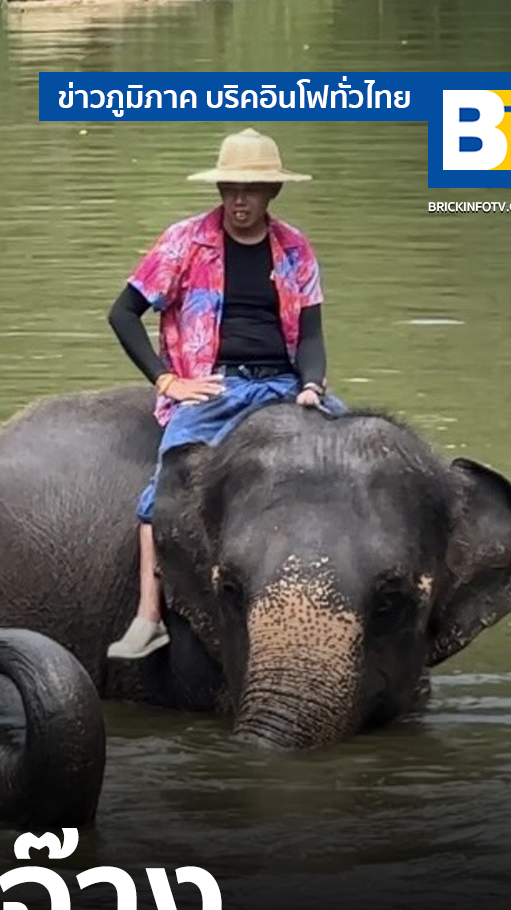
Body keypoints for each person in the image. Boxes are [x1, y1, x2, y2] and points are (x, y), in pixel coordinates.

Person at [105, 127, 346, 660]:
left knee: (356, 455)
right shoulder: (184, 242)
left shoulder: (296, 249)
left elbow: (311, 336)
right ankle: (149, 615)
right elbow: (122, 314)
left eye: (251, 190)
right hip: (215, 385)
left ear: (271, 193)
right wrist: (167, 381)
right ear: (219, 190)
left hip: (284, 384)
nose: (239, 200)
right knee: (166, 484)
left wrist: (310, 384)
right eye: (230, 189)